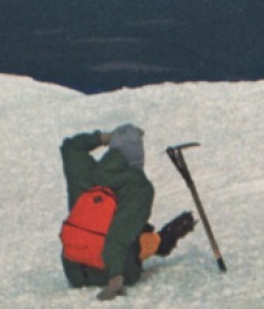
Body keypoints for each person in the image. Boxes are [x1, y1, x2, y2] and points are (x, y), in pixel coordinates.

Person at [60, 125, 195, 300]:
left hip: (74, 271)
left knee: (126, 225)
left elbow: (70, 146)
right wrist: (115, 278)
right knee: (138, 232)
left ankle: (156, 241)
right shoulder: (139, 186)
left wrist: (105, 138)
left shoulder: (85, 172)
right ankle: (161, 241)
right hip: (109, 273)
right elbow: (118, 236)